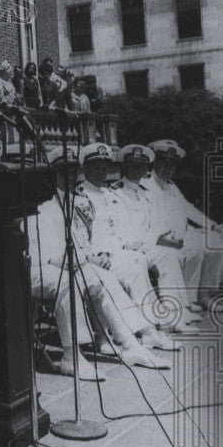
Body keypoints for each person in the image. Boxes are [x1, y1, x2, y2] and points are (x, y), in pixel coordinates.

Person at [29, 148, 170, 381]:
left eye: (74, 170)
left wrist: (85, 258)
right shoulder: (41, 201)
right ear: (54, 173)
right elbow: (39, 246)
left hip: (66, 262)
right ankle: (71, 357)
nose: (71, 176)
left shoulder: (73, 200)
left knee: (105, 278)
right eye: (65, 171)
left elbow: (80, 241)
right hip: (38, 264)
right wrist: (70, 260)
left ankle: (130, 344)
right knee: (68, 283)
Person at [75, 143, 191, 338]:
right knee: (136, 263)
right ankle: (151, 327)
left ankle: (170, 318)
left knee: (166, 256)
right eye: (95, 167)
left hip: (120, 248)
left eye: (104, 167)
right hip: (105, 253)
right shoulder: (81, 196)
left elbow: (118, 228)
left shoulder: (107, 194)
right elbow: (93, 234)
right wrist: (114, 249)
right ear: (85, 168)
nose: (100, 172)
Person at [144, 139, 223, 308]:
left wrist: (213, 226)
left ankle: (206, 294)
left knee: (218, 241)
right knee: (197, 247)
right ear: (155, 162)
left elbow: (188, 209)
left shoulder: (171, 186)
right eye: (164, 162)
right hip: (162, 238)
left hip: (183, 233)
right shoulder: (145, 183)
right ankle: (190, 300)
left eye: (172, 164)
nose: (168, 168)